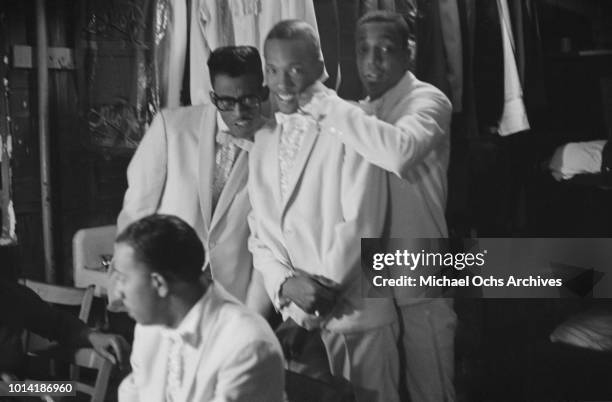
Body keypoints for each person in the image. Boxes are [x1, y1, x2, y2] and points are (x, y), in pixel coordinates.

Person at [296, 10, 456, 402]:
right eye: (363, 49)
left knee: (431, 388)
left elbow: (399, 152)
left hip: (420, 266)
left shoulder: (429, 100)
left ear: (409, 52)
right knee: (377, 390)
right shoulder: (360, 110)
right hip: (369, 271)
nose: (372, 61)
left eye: (385, 50)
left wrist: (327, 105)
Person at [248, 20, 400, 402]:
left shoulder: (355, 125)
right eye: (272, 69)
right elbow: (260, 235)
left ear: (320, 67)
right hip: (294, 318)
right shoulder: (263, 138)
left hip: (356, 318)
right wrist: (283, 286)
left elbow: (362, 227)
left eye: (295, 69)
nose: (282, 83)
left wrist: (306, 313)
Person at [114, 46, 270, 313]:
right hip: (163, 296)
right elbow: (135, 216)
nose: (238, 112)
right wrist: (124, 287)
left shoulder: (274, 144)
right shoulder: (171, 128)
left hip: (232, 301)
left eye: (248, 100)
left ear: (263, 93)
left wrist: (254, 317)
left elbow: (269, 241)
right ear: (213, 97)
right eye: (226, 103)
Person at [114, 214, 285, 402]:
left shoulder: (247, 345)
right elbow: (133, 394)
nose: (118, 291)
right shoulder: (148, 328)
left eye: (123, 278)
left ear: (159, 284)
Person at [0, 278, 129, 380]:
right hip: (12, 387)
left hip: (19, 387)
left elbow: (57, 323)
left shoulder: (8, 293)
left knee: (67, 391)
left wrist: (91, 336)